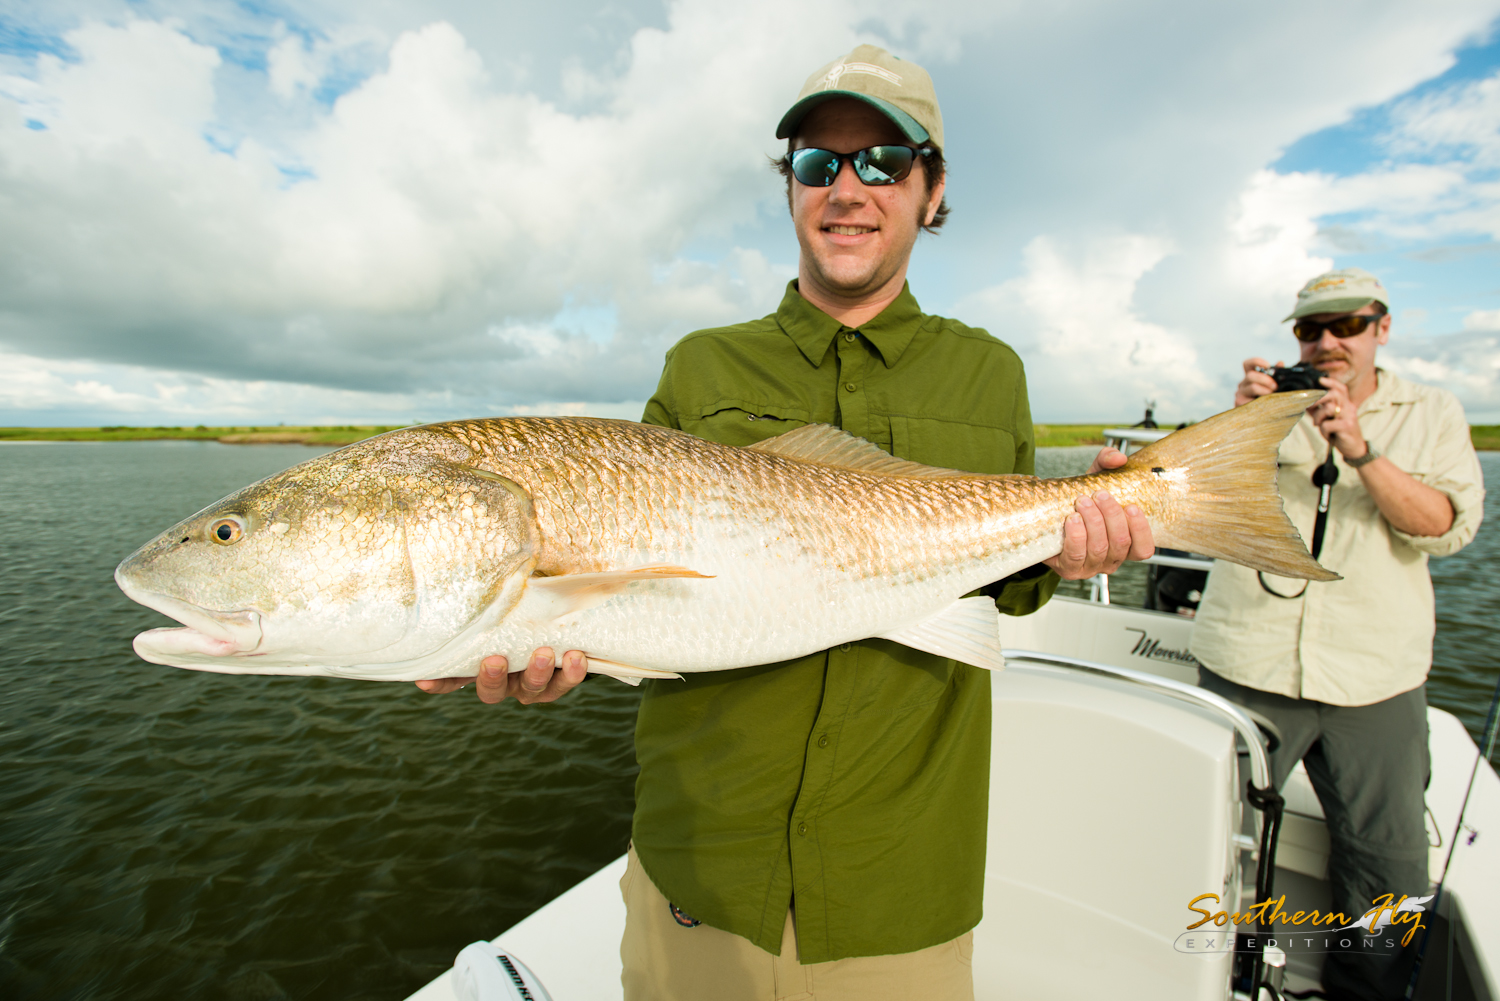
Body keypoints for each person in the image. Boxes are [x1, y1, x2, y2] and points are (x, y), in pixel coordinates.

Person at [421, 44, 1154, 999]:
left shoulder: (991, 373)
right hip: (702, 876)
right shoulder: (702, 367)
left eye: (885, 161)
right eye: (819, 162)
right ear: (794, 191)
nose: (849, 187)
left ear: (934, 192)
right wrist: (553, 639)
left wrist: (1074, 542)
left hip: (898, 891)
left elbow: (1004, 587)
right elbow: (635, 587)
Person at [1190, 267, 1484, 1001]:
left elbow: (1446, 527)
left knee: (1387, 870)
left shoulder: (1435, 410)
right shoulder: (1264, 408)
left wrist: (1359, 450)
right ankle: (1201, 977)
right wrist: (1235, 429)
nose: (1325, 343)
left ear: (1381, 327)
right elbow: (1190, 504)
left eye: (1344, 326)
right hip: (1245, 661)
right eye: (1308, 329)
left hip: (1374, 676)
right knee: (1201, 844)